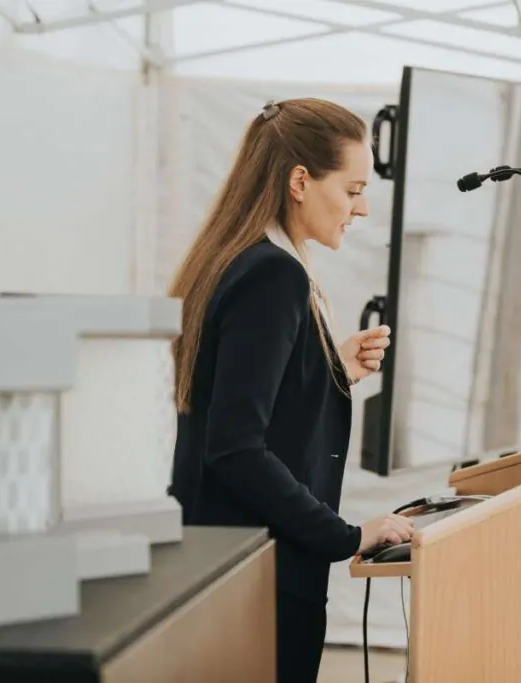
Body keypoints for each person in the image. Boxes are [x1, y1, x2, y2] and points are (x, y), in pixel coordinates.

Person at [167, 97, 416, 683]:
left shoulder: (239, 258)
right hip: (261, 578)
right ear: (300, 180)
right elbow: (235, 446)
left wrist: (329, 367)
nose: (362, 207)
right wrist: (347, 534)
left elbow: (238, 403)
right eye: (352, 189)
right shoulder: (276, 274)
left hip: (225, 569)